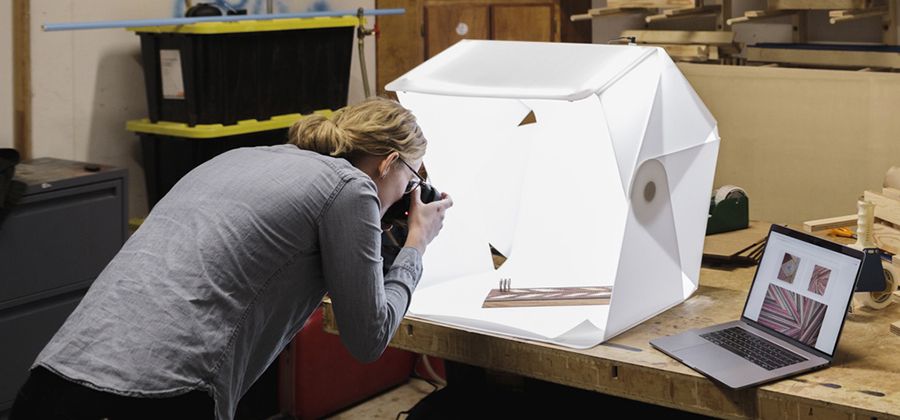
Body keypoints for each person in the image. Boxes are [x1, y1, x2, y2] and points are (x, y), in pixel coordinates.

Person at [10, 97, 453, 420]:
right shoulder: (349, 188)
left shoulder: (242, 157)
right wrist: (416, 242)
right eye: (413, 176)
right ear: (388, 162)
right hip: (159, 394)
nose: (410, 192)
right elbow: (369, 337)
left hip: (57, 374)